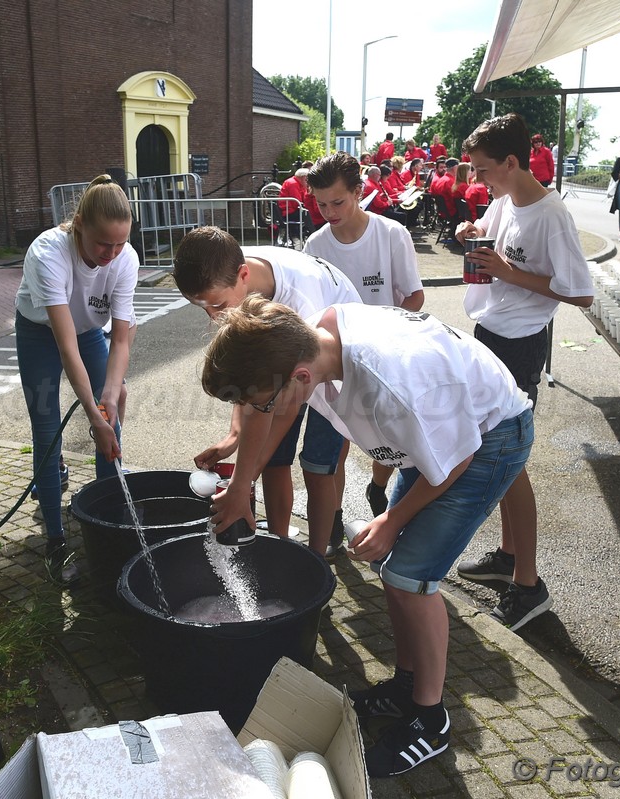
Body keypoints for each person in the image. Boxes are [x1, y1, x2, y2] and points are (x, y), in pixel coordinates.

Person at [199, 296, 533, 777]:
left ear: (300, 378)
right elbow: (263, 414)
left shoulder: (388, 386)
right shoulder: (306, 342)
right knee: (393, 568)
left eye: (261, 401)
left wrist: (393, 519)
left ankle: (430, 720)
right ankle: (406, 684)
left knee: (411, 577)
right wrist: (241, 484)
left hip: (487, 439)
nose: (258, 412)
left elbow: (456, 459)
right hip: (439, 432)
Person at [453, 113, 595, 631]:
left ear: (513, 162)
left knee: (508, 459)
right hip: (493, 330)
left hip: (521, 342)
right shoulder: (506, 198)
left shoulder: (551, 215)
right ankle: (510, 557)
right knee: (499, 454)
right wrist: (471, 232)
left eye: (483, 169)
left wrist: (509, 273)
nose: (477, 180)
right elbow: (488, 238)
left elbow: (578, 291)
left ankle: (529, 586)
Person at [172, 226, 360, 556]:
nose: (214, 316)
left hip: (334, 369)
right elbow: (248, 377)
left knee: (318, 467)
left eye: (216, 304)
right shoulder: (228, 269)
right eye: (201, 307)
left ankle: (315, 562)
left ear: (243, 275)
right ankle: (279, 548)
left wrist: (241, 483)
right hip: (290, 358)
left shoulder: (301, 303)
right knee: (274, 460)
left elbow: (277, 407)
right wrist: (234, 437)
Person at [15, 175, 137, 584]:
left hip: (90, 333)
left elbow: (121, 337)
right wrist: (93, 418)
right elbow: (65, 349)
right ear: (80, 224)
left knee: (112, 418)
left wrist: (110, 396)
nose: (112, 253)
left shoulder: (125, 259)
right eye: (104, 243)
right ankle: (54, 536)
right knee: (47, 428)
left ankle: (105, 524)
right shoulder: (48, 253)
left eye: (120, 244)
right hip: (41, 334)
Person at [304, 152, 426, 554]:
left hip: (385, 360)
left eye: (337, 202)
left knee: (394, 445)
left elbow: (414, 296)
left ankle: (382, 498)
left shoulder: (391, 234)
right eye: (321, 204)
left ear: (359, 192)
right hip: (336, 364)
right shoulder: (316, 244)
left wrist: (378, 337)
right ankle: (334, 520)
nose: (328, 212)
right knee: (332, 452)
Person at [277, 167, 311, 245]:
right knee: (311, 215)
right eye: (307, 178)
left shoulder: (295, 182)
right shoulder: (293, 184)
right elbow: (297, 202)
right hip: (290, 212)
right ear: (303, 177)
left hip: (289, 211)